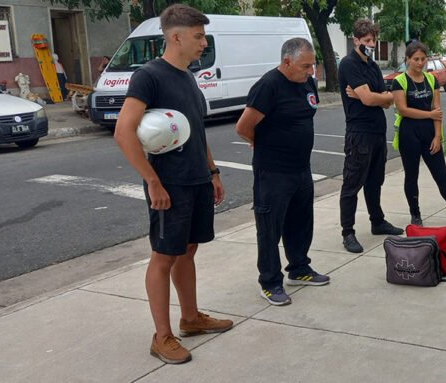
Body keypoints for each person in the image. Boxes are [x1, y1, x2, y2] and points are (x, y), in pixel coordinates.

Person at [114, 4, 233, 364]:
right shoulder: (149, 76)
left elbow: (195, 130)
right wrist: (153, 182)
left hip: (197, 179)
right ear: (176, 37)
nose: (204, 43)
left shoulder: (188, 77)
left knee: (188, 250)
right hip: (169, 185)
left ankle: (191, 318)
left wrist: (212, 172)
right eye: (199, 36)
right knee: (164, 256)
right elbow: (123, 132)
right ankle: (161, 336)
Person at [234, 38, 330, 306]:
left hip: (301, 168)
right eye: (305, 66)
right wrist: (262, 143)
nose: (311, 71)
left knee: (300, 222)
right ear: (287, 61)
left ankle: (299, 268)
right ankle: (270, 282)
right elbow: (243, 127)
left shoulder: (307, 83)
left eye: (313, 65)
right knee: (270, 228)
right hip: (273, 171)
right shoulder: (269, 85)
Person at [391, 41, 446, 228]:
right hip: (409, 133)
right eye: (416, 59)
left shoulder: (431, 79)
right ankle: (415, 214)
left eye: (423, 59)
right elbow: (403, 110)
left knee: (442, 175)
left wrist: (437, 136)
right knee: (411, 176)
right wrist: (429, 115)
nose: (420, 63)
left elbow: (437, 110)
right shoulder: (399, 81)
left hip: (429, 132)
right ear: (408, 59)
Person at [338, 19, 403, 254]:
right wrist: (371, 97)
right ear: (356, 40)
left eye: (373, 40)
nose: (371, 44)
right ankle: (348, 232)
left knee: (375, 181)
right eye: (367, 40)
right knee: (352, 183)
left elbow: (388, 100)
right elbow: (370, 99)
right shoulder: (349, 64)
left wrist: (371, 96)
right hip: (359, 133)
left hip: (377, 133)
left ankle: (377, 221)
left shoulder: (373, 66)